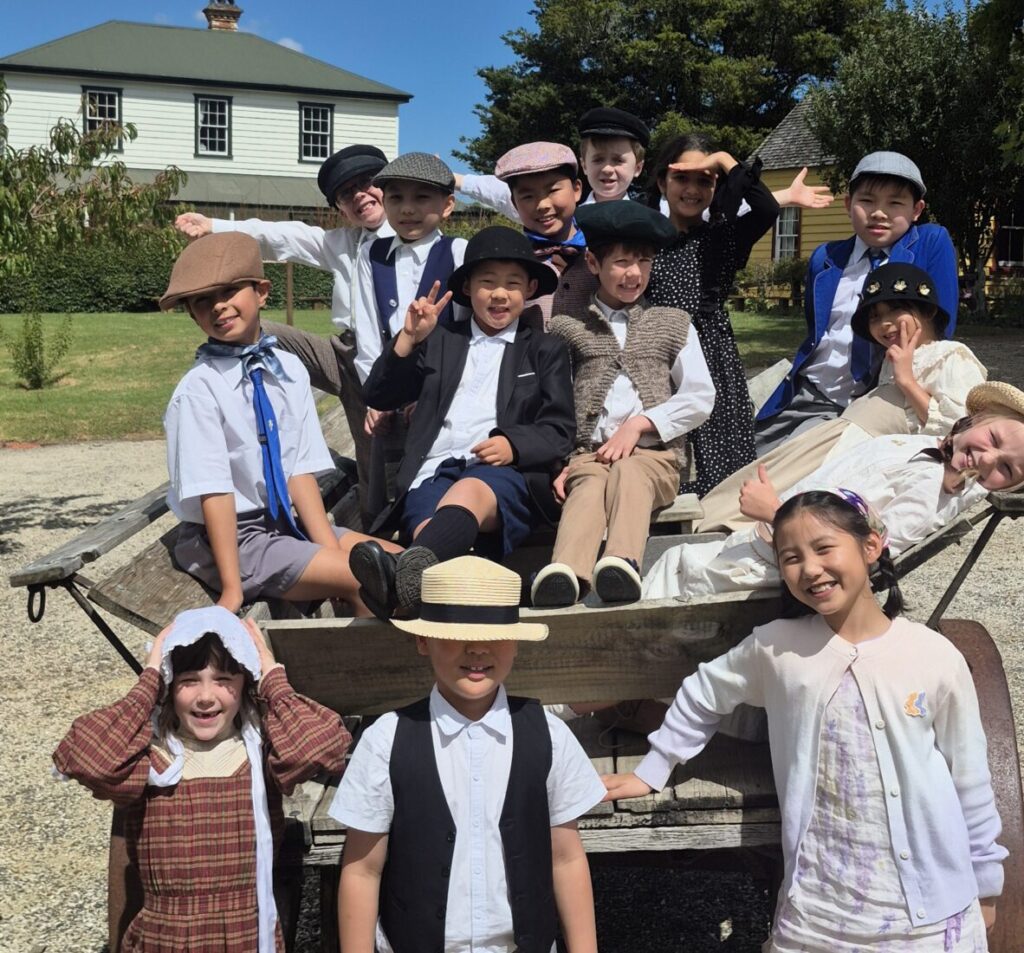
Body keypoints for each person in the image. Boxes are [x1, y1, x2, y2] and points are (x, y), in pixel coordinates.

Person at [604, 491, 1006, 951]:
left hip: (931, 918)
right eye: (791, 557)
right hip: (817, 915)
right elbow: (703, 692)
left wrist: (987, 884)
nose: (810, 569)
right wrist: (653, 769)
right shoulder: (777, 648)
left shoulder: (932, 655)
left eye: (823, 548)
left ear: (871, 546)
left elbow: (969, 777)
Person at [332, 556, 605, 953]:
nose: (477, 648)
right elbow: (363, 870)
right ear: (423, 640)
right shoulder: (385, 741)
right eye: (456, 635)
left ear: (515, 642)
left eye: (494, 635)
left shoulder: (550, 737)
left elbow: (565, 858)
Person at [53, 607, 350, 953]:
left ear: (245, 683)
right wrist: (149, 681)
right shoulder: (151, 759)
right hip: (164, 940)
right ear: (168, 686)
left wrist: (272, 677)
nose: (206, 696)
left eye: (223, 680)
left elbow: (324, 745)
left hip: (244, 937)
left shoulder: (258, 755)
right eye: (189, 680)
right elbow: (87, 758)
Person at [160, 232, 400, 616]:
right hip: (230, 540)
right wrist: (232, 589)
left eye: (229, 291)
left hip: (284, 524)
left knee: (402, 565)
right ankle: (353, 654)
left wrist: (327, 550)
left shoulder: (287, 369)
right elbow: (214, 493)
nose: (218, 306)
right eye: (202, 301)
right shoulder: (199, 390)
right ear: (192, 314)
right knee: (369, 580)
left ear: (262, 292)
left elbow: (298, 470)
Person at [347, 226, 574, 619]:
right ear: (468, 288)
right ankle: (410, 587)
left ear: (530, 288)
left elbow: (559, 429)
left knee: (467, 492)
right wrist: (407, 340)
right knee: (430, 531)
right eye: (487, 282)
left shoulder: (544, 348)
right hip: (432, 470)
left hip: (502, 474)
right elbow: (380, 395)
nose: (500, 294)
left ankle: (396, 580)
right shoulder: (440, 339)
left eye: (512, 284)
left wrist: (513, 444)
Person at [642, 381, 1024, 601]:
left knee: (674, 570)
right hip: (765, 548)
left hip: (773, 570)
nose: (987, 459)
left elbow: (870, 552)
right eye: (993, 439)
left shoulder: (933, 490)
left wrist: (776, 512)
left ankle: (628, 692)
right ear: (978, 419)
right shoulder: (929, 452)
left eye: (1006, 469)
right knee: (673, 563)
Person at [175, 144, 394, 521]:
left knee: (377, 452)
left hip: (389, 362)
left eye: (367, 183)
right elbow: (284, 236)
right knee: (259, 329)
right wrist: (215, 226)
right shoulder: (344, 243)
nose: (359, 195)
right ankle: (232, 404)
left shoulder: (414, 238)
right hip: (343, 355)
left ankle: (384, 523)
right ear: (341, 208)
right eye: (346, 193)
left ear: (389, 186)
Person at [697, 261, 987, 533]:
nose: (885, 324)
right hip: (840, 440)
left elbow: (958, 431)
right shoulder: (892, 359)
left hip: (863, 454)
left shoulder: (951, 355)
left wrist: (907, 381)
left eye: (896, 309)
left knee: (790, 487)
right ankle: (701, 520)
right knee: (772, 473)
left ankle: (730, 527)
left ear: (928, 311)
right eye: (875, 317)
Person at [532, 200, 715, 607]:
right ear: (593, 263)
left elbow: (700, 396)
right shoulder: (567, 327)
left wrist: (640, 425)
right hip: (588, 456)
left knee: (630, 472)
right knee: (587, 487)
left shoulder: (673, 322)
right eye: (621, 262)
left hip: (655, 459)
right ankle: (565, 574)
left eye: (644, 261)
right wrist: (561, 463)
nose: (634, 273)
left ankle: (621, 563)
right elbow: (553, 402)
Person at [756, 151, 960, 454]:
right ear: (848, 204)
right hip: (810, 387)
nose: (879, 213)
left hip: (873, 398)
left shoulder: (929, 242)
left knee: (791, 464)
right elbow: (817, 329)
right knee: (749, 453)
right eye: (867, 201)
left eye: (895, 203)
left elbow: (941, 326)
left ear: (917, 210)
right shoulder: (826, 257)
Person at [642, 133, 781, 496]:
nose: (692, 189)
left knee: (720, 458)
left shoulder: (723, 236)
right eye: (681, 178)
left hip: (712, 356)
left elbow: (767, 208)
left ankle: (719, 520)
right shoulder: (643, 240)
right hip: (657, 357)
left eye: (704, 180)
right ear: (662, 182)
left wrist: (723, 158)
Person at [352, 152, 468, 386]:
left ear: (447, 205)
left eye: (421, 197)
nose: (406, 208)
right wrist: (375, 390)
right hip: (388, 382)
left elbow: (466, 329)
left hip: (445, 383)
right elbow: (367, 331)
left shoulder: (458, 252)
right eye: (396, 198)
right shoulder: (371, 253)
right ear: (384, 202)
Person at [456, 141, 599, 328]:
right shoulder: (506, 262)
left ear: (577, 189)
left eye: (553, 190)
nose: (542, 205)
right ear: (514, 203)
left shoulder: (603, 253)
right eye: (528, 196)